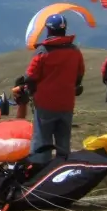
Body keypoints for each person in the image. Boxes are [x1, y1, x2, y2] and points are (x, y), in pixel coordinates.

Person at [21, 14, 85, 167]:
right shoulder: (75, 51)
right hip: (67, 103)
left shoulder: (43, 51)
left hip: (45, 104)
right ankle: (62, 168)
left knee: (42, 138)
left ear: (48, 30)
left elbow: (30, 76)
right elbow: (80, 74)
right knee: (63, 139)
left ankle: (39, 169)